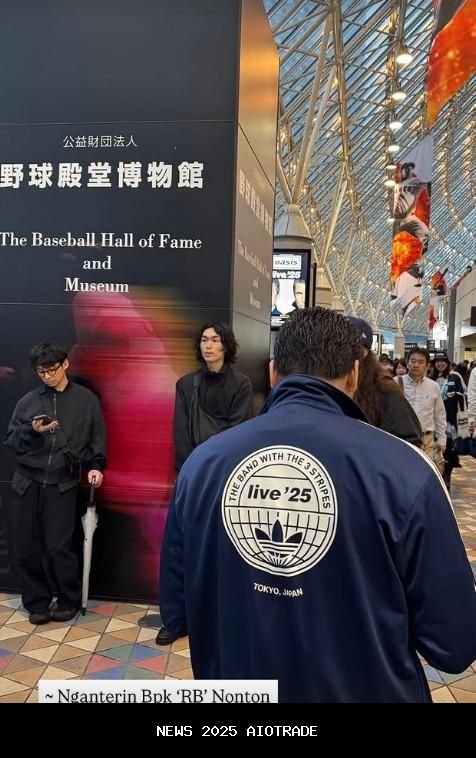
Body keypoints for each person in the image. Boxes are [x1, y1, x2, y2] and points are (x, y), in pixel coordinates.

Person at [159, 308, 476, 703]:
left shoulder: (202, 466)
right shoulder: (406, 471)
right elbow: (455, 642)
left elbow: (176, 610)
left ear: (273, 373)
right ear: (354, 375)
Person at [4, 343, 106, 624]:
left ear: (65, 364)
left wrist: (97, 466)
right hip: (26, 481)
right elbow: (12, 440)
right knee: (26, 546)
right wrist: (32, 431)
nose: (47, 376)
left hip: (63, 482)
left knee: (59, 547)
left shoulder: (86, 400)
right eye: (41, 372)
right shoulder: (28, 401)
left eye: (51, 370)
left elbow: (97, 438)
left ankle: (67, 599)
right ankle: (36, 602)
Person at [349, 317, 422, 446]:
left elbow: (408, 440)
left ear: (365, 353)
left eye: (355, 350)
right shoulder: (323, 383)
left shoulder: (383, 390)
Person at [397, 348, 447, 471]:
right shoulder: (395, 383)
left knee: (425, 473)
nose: (416, 365)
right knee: (403, 472)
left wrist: (442, 439)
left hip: (427, 441)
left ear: (427, 366)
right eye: (413, 361)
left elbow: (439, 415)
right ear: (407, 363)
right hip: (402, 439)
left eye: (420, 362)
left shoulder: (433, 386)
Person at [429, 352, 465, 490]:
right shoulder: (430, 378)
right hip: (433, 420)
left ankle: (447, 477)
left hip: (450, 420)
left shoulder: (455, 377)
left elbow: (464, 394)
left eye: (443, 361)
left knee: (449, 450)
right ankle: (437, 476)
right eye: (437, 361)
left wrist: (456, 395)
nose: (440, 363)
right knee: (434, 449)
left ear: (447, 363)